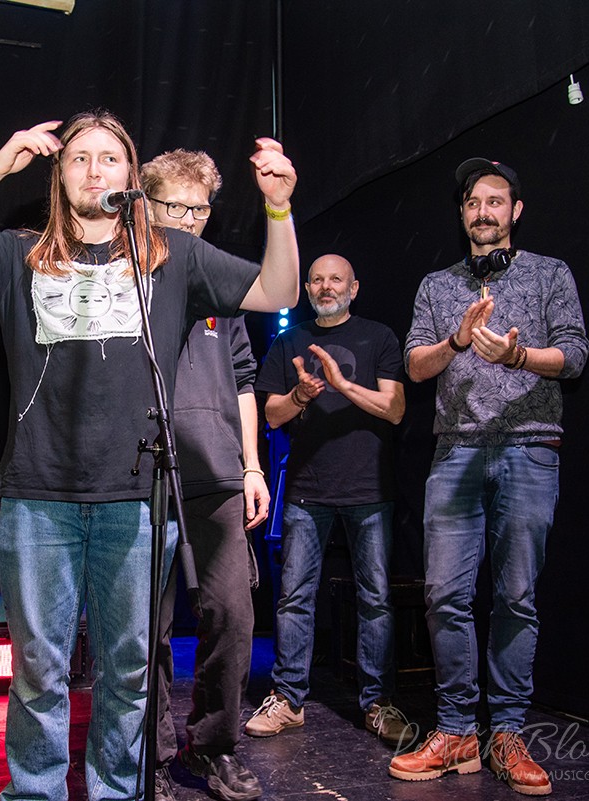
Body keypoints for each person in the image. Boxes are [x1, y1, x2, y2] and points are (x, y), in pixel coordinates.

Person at [0, 111, 299, 801]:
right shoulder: (19, 253)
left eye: (109, 158)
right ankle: (35, 792)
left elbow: (278, 292)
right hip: (38, 496)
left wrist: (278, 207)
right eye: (79, 158)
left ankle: (117, 792)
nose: (95, 169)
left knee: (129, 671)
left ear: (131, 175)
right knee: (39, 671)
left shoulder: (172, 257)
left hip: (137, 498)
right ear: (59, 177)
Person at [388, 159, 589, 796]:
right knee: (444, 596)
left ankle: (506, 732)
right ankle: (455, 733)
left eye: (495, 201)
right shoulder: (436, 285)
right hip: (456, 455)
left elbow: (576, 355)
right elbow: (415, 367)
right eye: (474, 202)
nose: (484, 211)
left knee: (516, 597)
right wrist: (456, 342)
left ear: (515, 211)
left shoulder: (550, 274)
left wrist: (518, 355)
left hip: (530, 450)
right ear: (462, 213)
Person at [140, 150, 271, 801]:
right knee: (147, 631)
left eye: (200, 209)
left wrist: (252, 464)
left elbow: (244, 381)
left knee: (233, 618)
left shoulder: (223, 286)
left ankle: (213, 744)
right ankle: (155, 756)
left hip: (218, 478)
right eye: (176, 206)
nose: (190, 218)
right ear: (146, 206)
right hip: (145, 478)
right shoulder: (128, 279)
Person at [243, 254, 413, 749]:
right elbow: (270, 416)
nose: (325, 286)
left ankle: (378, 703)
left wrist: (342, 386)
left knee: (375, 599)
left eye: (336, 279)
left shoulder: (379, 337)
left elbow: (395, 409)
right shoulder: (289, 341)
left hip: (369, 490)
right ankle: (288, 699)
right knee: (295, 597)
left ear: (353, 288)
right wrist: (299, 395)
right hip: (307, 490)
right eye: (316, 279)